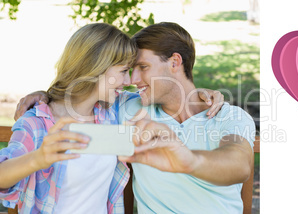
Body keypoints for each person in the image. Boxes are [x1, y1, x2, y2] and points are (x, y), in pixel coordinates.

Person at [1, 23, 223, 214]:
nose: (129, 80)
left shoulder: (112, 114)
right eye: (124, 70)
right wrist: (38, 158)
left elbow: (166, 90)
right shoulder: (37, 123)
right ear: (96, 68)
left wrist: (199, 94)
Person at [117, 22, 256, 213]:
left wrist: (188, 160)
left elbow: (238, 163)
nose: (133, 80)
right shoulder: (130, 109)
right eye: (132, 69)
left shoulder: (228, 116)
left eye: (143, 67)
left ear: (174, 62)